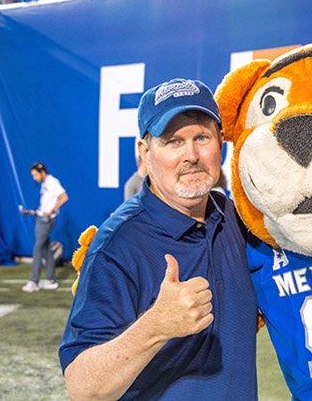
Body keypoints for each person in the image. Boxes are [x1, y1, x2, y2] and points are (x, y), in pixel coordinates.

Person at [59, 78, 258, 400]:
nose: (191, 155)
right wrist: (156, 326)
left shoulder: (236, 218)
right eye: (173, 141)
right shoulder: (117, 245)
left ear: (221, 142)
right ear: (145, 152)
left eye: (201, 137)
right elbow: (83, 389)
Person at [21, 162, 68, 293]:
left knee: (37, 248)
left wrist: (51, 211)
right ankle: (50, 279)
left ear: (42, 172)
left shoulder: (52, 182)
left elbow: (64, 197)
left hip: (47, 220)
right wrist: (33, 212)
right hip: (41, 217)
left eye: (35, 175)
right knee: (46, 249)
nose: (34, 178)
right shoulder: (44, 184)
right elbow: (45, 205)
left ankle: (33, 281)